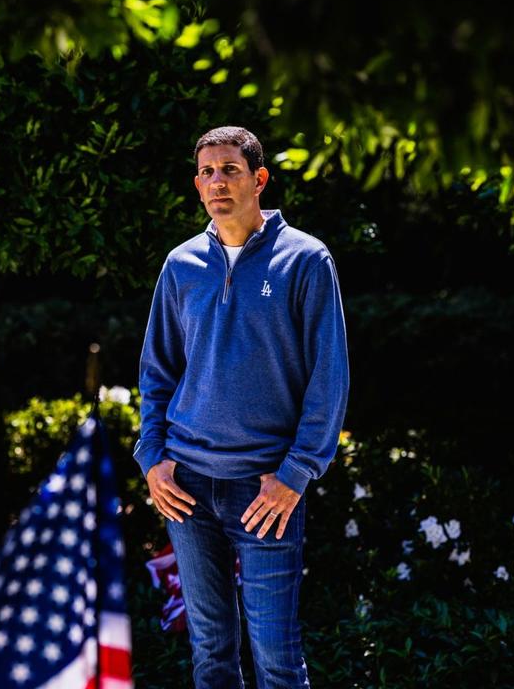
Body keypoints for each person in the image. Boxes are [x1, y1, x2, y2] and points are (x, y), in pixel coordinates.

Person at [134, 125, 349, 688]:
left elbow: (328, 382)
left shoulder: (305, 260)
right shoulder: (181, 265)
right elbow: (157, 373)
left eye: (229, 169)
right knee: (211, 655)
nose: (216, 182)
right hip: (186, 487)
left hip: (265, 491)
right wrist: (152, 458)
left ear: (258, 179)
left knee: (277, 661)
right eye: (206, 172)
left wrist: (295, 475)